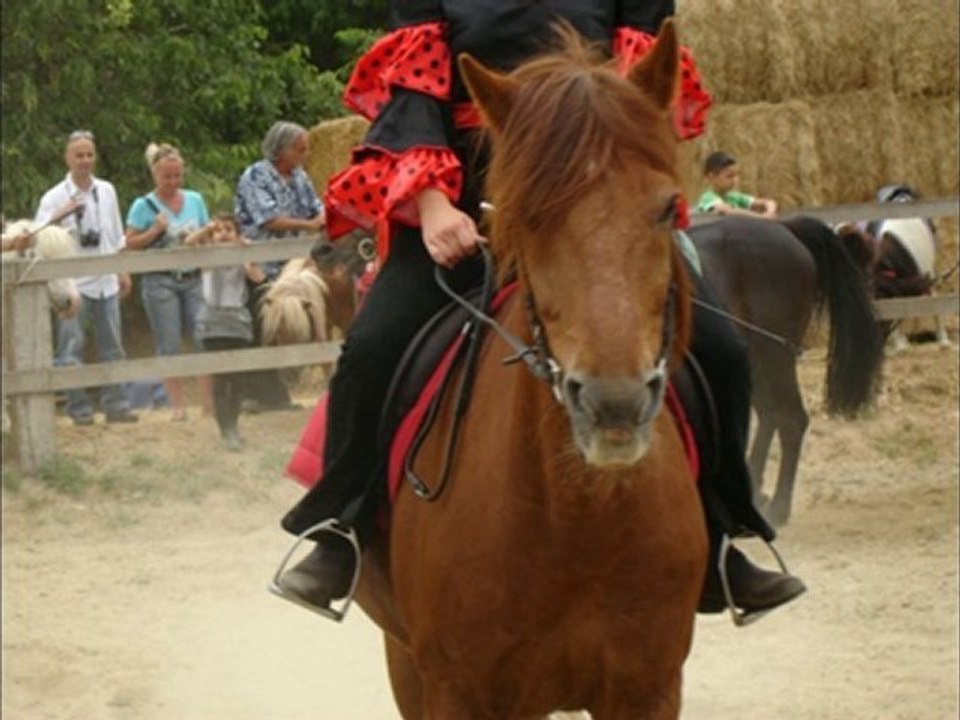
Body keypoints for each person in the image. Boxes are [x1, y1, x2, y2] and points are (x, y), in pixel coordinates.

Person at [276, 1, 805, 620]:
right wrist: (431, 206)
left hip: (597, 194)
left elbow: (640, 89)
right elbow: (412, 101)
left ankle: (722, 536)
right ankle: (344, 529)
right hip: (467, 194)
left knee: (720, 350)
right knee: (373, 347)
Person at [35, 129, 138, 426]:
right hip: (74, 285)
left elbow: (116, 233)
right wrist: (59, 215)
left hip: (106, 280)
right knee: (71, 349)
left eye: (89, 155)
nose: (84, 160)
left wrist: (123, 269)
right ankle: (79, 410)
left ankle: (116, 405)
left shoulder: (106, 190)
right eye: (78, 155)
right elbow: (38, 239)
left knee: (113, 347)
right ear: (67, 158)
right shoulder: (53, 196)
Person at [234, 121, 327, 413]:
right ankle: (253, 393)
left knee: (290, 326)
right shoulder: (256, 176)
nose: (304, 154)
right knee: (259, 325)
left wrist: (323, 215)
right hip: (260, 264)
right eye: (300, 149)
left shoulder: (300, 177)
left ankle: (280, 392)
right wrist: (310, 225)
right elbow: (267, 218)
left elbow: (316, 205)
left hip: (292, 267)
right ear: (282, 150)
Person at [125, 143, 213, 422]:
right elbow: (130, 243)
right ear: (155, 175)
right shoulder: (143, 205)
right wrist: (155, 230)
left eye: (177, 176)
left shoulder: (196, 200)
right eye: (167, 177)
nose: (173, 182)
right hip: (160, 280)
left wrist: (204, 235)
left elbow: (207, 233)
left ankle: (209, 404)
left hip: (193, 278)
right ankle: (177, 406)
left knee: (202, 338)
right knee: (169, 343)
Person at [187, 213, 266, 451]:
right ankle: (226, 431)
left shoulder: (242, 257)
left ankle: (234, 425)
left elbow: (258, 278)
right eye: (218, 230)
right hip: (213, 322)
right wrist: (206, 230)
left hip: (238, 322)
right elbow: (189, 242)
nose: (223, 233)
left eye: (228, 229)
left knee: (239, 380)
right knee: (220, 380)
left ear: (237, 234)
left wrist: (248, 256)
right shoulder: (207, 257)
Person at [696, 150, 778, 218]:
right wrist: (760, 217)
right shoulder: (708, 198)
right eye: (729, 176)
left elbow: (768, 202)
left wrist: (770, 212)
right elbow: (727, 211)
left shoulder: (734, 196)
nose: (735, 180)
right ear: (712, 177)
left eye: (736, 175)